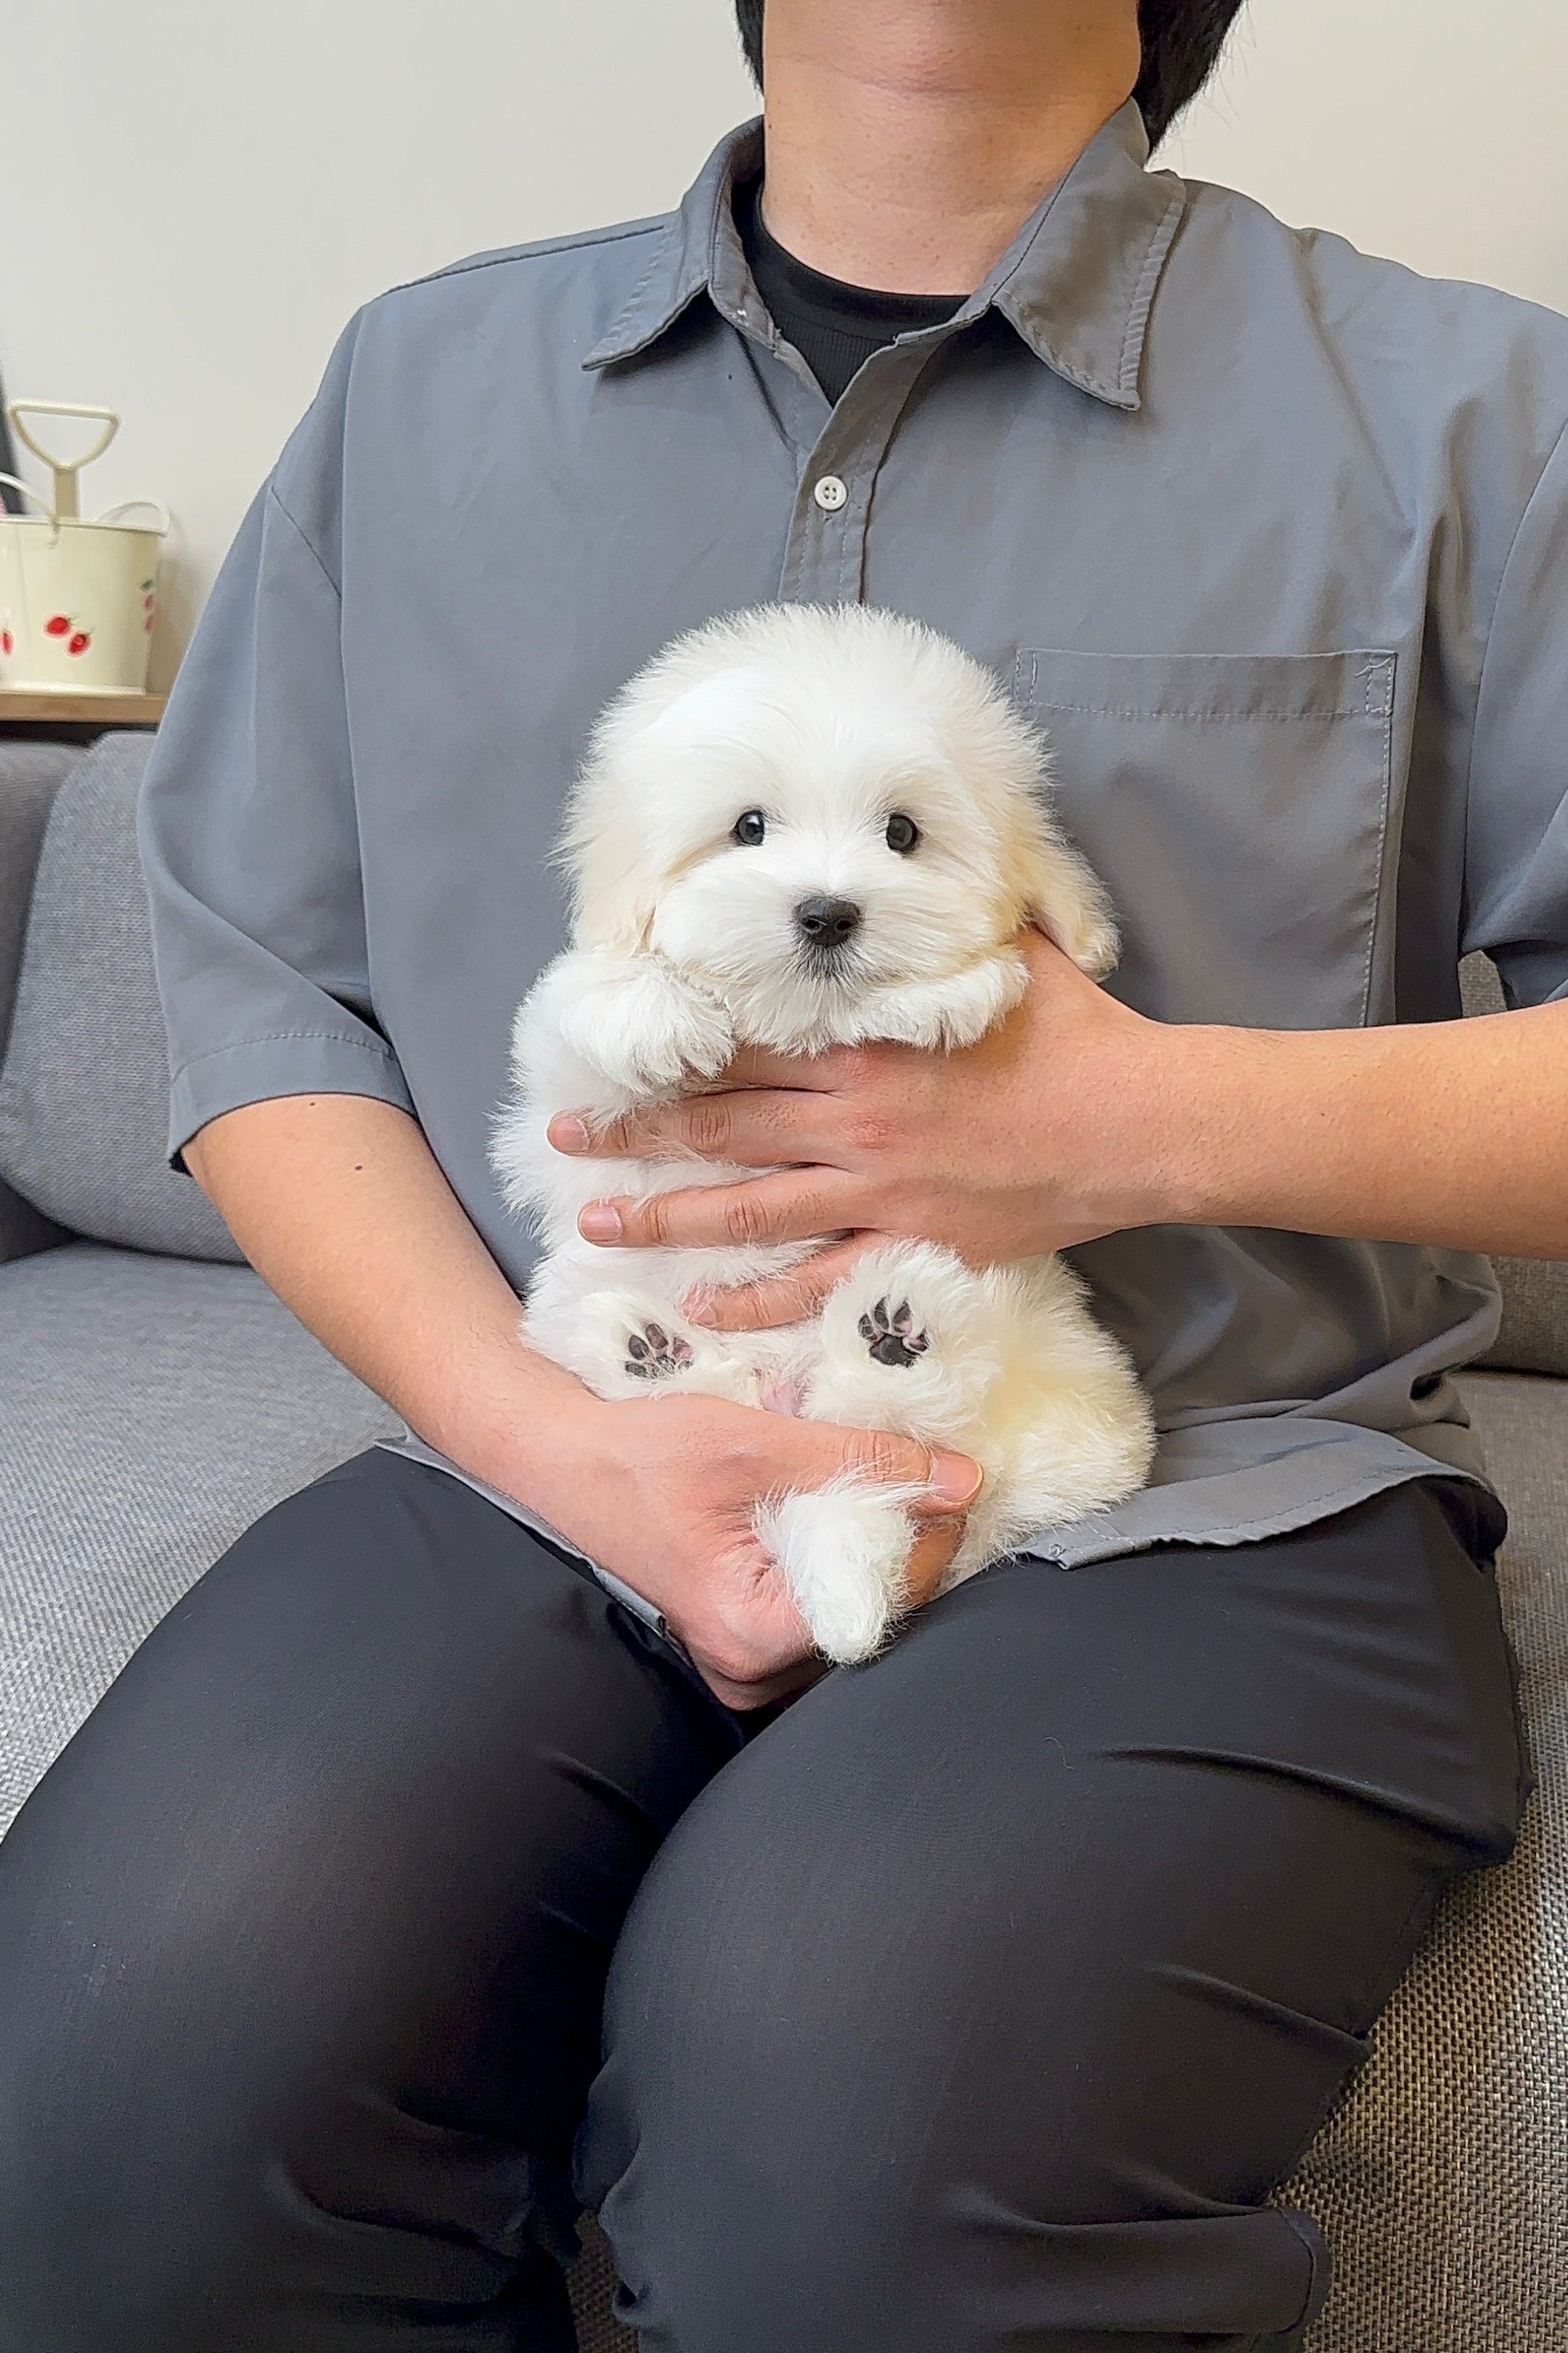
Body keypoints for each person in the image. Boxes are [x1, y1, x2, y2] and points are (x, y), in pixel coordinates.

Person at [1, 1, 1564, 2346]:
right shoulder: (415, 395)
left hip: (1212, 1495)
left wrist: (1133, 1120)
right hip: (560, 1441)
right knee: (105, 2096)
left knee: (842, 2161)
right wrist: (555, 1439)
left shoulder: (1482, 409)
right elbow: (254, 1008)